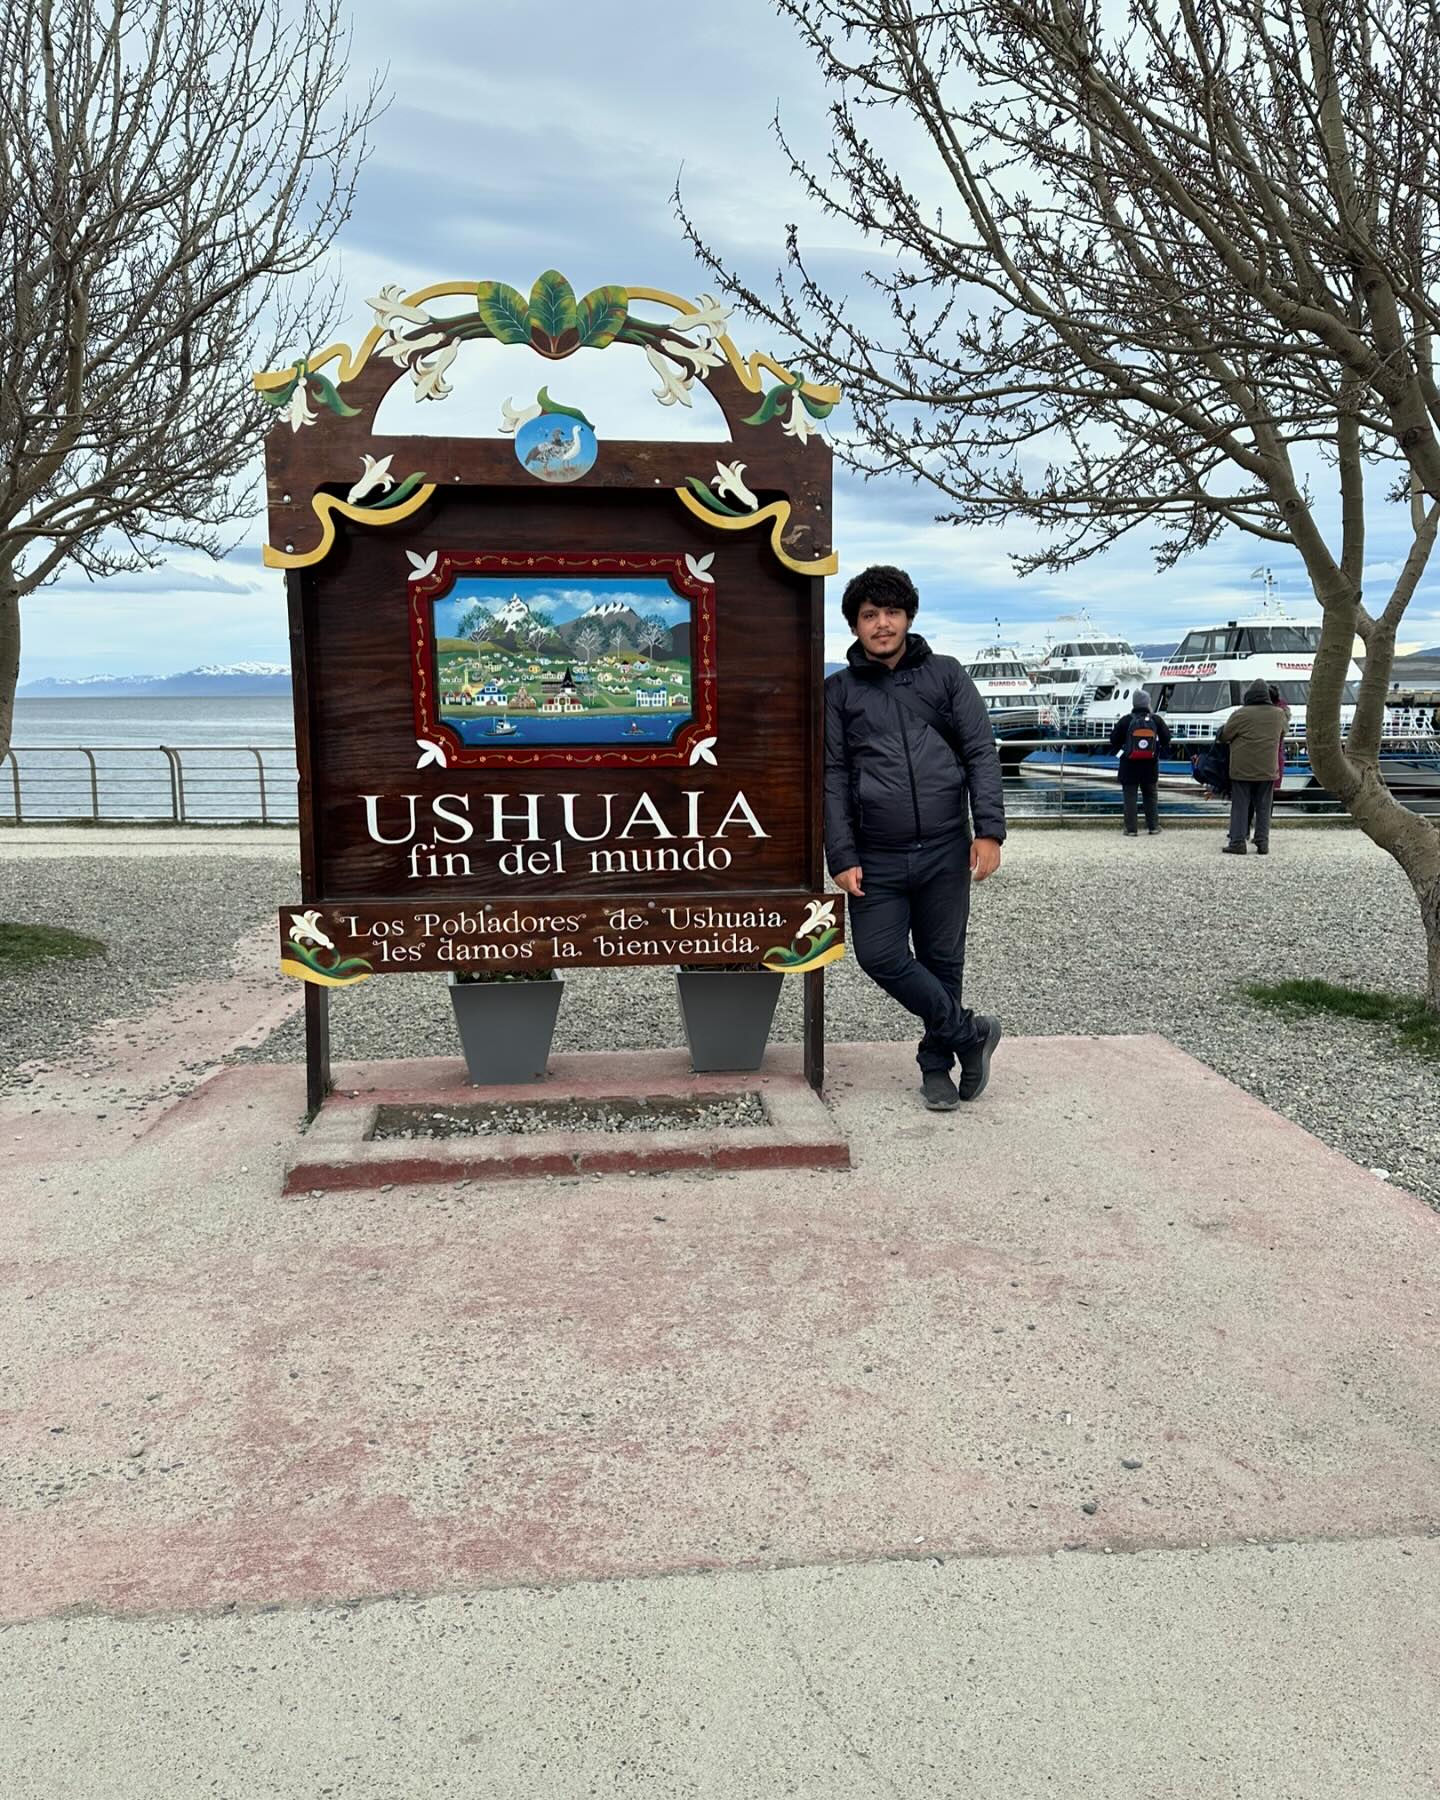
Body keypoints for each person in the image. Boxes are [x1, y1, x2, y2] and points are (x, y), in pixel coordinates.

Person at [824, 565, 1006, 1113]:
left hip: (948, 848)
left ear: (909, 617)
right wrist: (842, 853)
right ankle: (970, 1033)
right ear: (854, 625)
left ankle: (936, 1067)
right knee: (879, 956)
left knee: (942, 960)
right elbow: (832, 775)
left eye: (892, 613)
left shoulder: (947, 676)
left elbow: (980, 753)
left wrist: (990, 831)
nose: (882, 624)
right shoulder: (839, 691)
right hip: (876, 855)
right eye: (870, 615)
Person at [1219, 679, 1287, 855]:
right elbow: (1283, 732)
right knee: (1264, 807)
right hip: (1268, 768)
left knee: (1240, 806)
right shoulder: (1278, 714)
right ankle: (1262, 842)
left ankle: (1238, 842)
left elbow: (1225, 735)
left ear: (1248, 695)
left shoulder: (1240, 714)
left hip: (1242, 768)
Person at [1107, 688, 1171, 836]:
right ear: (1148, 703)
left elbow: (1113, 741)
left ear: (1134, 703)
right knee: (1150, 796)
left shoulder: (1126, 720)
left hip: (1129, 765)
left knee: (1130, 797)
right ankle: (1153, 827)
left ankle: (1131, 829)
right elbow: (1167, 739)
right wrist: (1155, 752)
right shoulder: (1156, 720)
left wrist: (1122, 755)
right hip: (1150, 765)